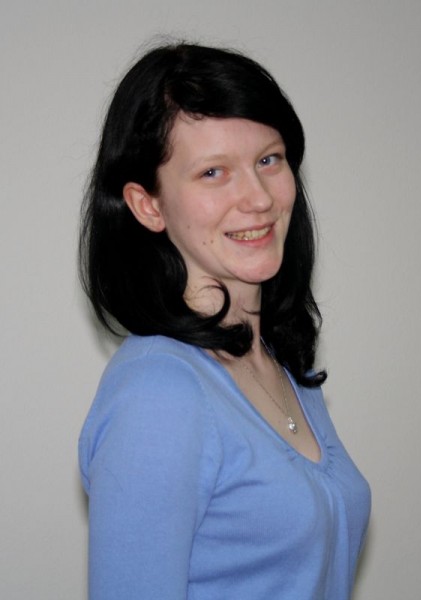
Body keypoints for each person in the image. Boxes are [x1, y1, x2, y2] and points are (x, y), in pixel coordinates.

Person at [78, 42, 370, 600]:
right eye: (213, 172)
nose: (258, 198)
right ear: (148, 205)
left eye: (269, 160)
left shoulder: (279, 362)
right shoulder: (159, 392)